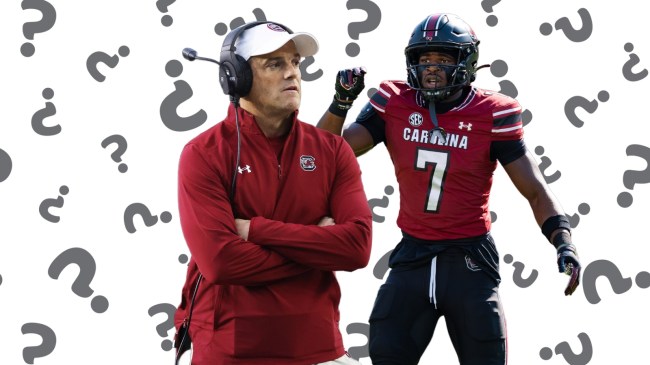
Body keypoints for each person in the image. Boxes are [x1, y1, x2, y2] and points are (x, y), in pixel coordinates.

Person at [317, 13, 581, 365]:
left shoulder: (493, 114)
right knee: (385, 355)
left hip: (469, 261)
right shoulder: (394, 101)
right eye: (424, 59)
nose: (431, 68)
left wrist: (563, 241)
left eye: (443, 59)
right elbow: (324, 156)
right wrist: (340, 103)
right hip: (412, 257)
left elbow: (534, 188)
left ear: (466, 62)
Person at [173, 21, 372, 365]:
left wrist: (255, 230)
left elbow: (356, 248)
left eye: (295, 62)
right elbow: (222, 262)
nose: (291, 74)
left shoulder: (333, 150)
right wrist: (317, 244)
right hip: (231, 350)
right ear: (236, 77)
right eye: (274, 64)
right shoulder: (202, 153)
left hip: (317, 347)